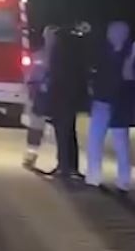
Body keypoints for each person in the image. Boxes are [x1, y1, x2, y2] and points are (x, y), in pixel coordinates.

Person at [85, 21, 133, 192]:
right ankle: (93, 176)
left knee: (121, 142)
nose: (115, 35)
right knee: (95, 140)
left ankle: (124, 179)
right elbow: (92, 72)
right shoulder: (101, 51)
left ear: (126, 34)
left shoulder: (131, 51)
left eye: (120, 32)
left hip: (120, 102)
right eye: (112, 32)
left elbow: (129, 76)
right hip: (101, 100)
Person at [47, 24, 89, 179]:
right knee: (69, 132)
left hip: (61, 97)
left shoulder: (58, 51)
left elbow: (55, 76)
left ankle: (63, 166)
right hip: (71, 98)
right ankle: (71, 166)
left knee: (62, 133)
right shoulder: (74, 53)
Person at [22, 25, 58, 169]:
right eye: (48, 35)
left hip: (56, 97)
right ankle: (31, 155)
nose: (51, 38)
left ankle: (62, 162)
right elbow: (29, 77)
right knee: (36, 128)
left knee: (59, 131)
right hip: (39, 97)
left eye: (53, 36)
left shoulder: (63, 57)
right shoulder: (38, 56)